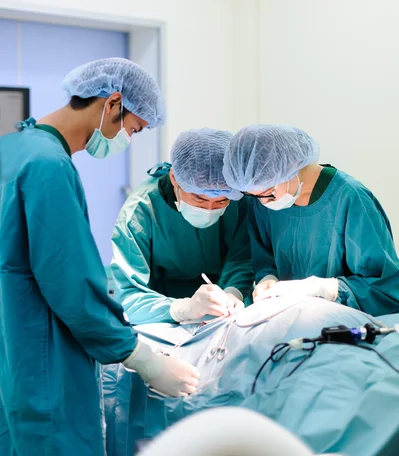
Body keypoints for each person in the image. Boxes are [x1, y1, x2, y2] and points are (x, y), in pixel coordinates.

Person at [0, 58, 199, 456]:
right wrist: (144, 359)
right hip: (42, 365)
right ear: (112, 104)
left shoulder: (13, 148)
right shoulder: (49, 168)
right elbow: (70, 283)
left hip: (12, 354)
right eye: (134, 128)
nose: (129, 138)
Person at [223, 124, 399, 316]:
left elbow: (387, 289)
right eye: (255, 196)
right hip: (287, 320)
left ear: (290, 166)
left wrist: (327, 289)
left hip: (343, 325)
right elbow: (264, 258)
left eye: (269, 194)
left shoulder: (352, 199)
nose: (264, 203)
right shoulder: (262, 201)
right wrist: (268, 278)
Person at [111, 128, 253, 325]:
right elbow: (128, 299)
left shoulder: (240, 201)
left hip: (223, 319)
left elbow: (242, 260)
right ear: (174, 178)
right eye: (199, 198)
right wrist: (182, 309)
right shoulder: (140, 212)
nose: (209, 208)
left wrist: (233, 293)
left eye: (221, 202)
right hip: (160, 318)